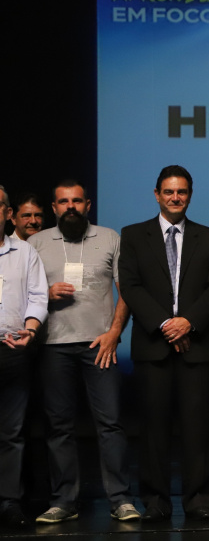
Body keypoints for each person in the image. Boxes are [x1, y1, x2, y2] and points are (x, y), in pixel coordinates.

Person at [118, 165, 209, 522]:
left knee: (198, 431)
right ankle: (156, 501)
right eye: (169, 192)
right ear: (156, 194)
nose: (175, 198)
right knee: (153, 431)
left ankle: (198, 502)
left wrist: (188, 323)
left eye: (181, 192)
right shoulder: (133, 235)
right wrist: (165, 324)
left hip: (197, 348)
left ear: (190, 196)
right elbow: (131, 286)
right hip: (154, 348)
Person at [28, 180, 138, 523]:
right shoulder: (36, 243)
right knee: (59, 426)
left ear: (88, 204)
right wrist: (46, 295)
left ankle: (120, 499)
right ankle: (64, 501)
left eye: (77, 200)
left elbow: (127, 291)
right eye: (63, 201)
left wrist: (114, 334)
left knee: (110, 423)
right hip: (52, 345)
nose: (70, 206)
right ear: (54, 206)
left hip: (99, 345)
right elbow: (23, 296)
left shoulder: (109, 238)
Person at [0, 185, 48, 529]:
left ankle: (9, 502)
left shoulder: (25, 252)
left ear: (6, 212)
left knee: (11, 432)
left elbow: (37, 296)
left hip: (13, 350)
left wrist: (30, 330)